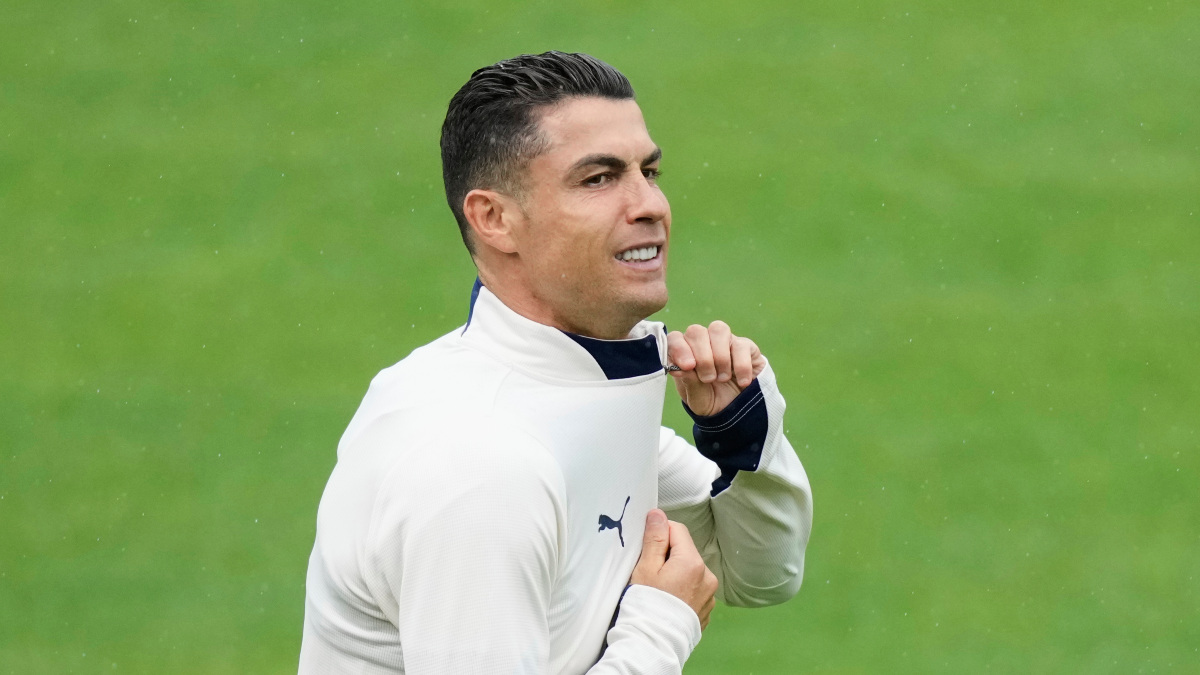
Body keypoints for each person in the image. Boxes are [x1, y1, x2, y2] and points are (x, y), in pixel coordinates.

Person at [298, 51, 813, 674]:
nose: (648, 203)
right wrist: (658, 627)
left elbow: (758, 573)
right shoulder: (478, 464)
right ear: (495, 220)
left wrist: (743, 434)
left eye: (649, 171)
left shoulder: (580, 391)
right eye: (598, 179)